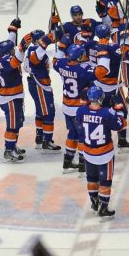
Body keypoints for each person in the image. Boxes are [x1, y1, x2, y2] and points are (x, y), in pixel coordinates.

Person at [76, 86, 125, 220]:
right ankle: (103, 208)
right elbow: (120, 125)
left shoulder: (81, 111)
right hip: (105, 154)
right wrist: (119, 110)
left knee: (91, 179)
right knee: (105, 181)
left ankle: (94, 203)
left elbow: (82, 119)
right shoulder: (107, 113)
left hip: (88, 152)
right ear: (101, 98)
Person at [54, 44, 98, 174]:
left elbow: (55, 61)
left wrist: (62, 45)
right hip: (78, 108)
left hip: (67, 106)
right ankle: (82, 164)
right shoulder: (82, 70)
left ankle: (67, 162)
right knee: (82, 137)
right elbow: (99, 73)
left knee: (72, 134)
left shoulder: (61, 64)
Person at [0, 18, 28, 163]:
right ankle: (8, 150)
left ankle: (12, 145)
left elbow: (10, 42)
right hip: (10, 97)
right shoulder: (6, 62)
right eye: (12, 50)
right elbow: (18, 59)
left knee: (18, 122)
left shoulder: (1, 55)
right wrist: (23, 47)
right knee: (13, 125)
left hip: (14, 95)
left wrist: (13, 28)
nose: (13, 50)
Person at [24, 29, 62, 152]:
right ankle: (47, 140)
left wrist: (53, 27)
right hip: (39, 83)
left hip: (35, 82)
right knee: (49, 112)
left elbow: (51, 39)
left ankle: (40, 138)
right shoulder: (35, 50)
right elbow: (38, 56)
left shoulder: (32, 49)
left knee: (41, 111)